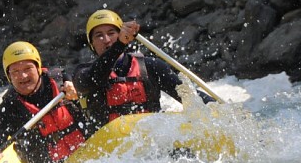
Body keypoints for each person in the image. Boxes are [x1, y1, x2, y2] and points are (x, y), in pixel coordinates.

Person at [73, 9, 214, 126]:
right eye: (99, 36)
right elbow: (96, 77)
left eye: (111, 33)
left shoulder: (151, 66)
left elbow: (191, 98)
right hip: (110, 150)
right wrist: (119, 45)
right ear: (92, 43)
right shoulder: (82, 74)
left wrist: (219, 108)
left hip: (150, 141)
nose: (107, 40)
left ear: (121, 34)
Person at [0, 41, 96, 163]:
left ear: (38, 68)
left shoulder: (61, 81)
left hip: (89, 157)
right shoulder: (8, 109)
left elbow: (91, 84)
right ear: (9, 76)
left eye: (27, 69)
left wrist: (78, 92)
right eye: (15, 71)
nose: (22, 76)